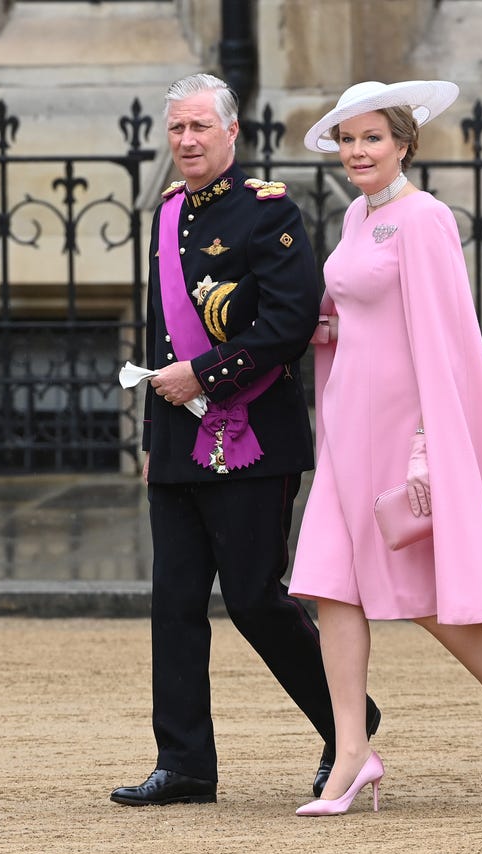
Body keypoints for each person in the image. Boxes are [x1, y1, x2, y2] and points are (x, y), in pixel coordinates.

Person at [288, 80, 482, 817]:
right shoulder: (355, 214)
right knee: (330, 584)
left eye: (372, 138)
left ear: (405, 143)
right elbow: (358, 312)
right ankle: (352, 755)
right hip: (347, 424)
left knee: (425, 599)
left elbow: (446, 341)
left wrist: (430, 439)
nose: (357, 152)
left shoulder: (427, 218)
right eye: (347, 140)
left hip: (403, 429)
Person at [110, 73, 380, 808]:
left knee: (257, 599)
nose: (188, 141)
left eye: (201, 127)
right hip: (174, 437)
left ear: (233, 133)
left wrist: (203, 377)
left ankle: (349, 727)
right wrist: (147, 435)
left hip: (251, 433)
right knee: (173, 600)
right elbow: (154, 332)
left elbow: (289, 324)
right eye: (178, 130)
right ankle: (186, 764)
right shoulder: (166, 214)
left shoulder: (269, 214)